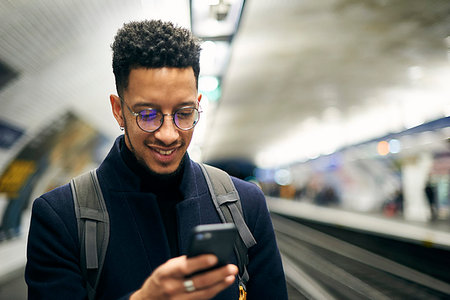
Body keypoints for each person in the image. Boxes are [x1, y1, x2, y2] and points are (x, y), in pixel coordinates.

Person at [25, 20, 288, 300]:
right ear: (118, 110)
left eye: (184, 113)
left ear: (198, 104)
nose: (168, 134)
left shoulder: (244, 204)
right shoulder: (61, 217)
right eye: (147, 114)